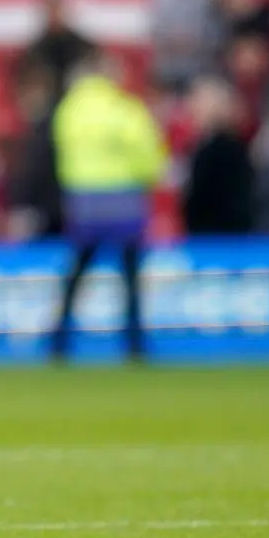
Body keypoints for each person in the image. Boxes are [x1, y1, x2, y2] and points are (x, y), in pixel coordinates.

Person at [49, 48, 167, 362]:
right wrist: (147, 177)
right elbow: (149, 154)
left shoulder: (69, 110)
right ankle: (134, 344)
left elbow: (61, 154)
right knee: (129, 276)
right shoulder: (126, 109)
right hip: (125, 201)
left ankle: (59, 339)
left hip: (84, 201)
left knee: (76, 273)